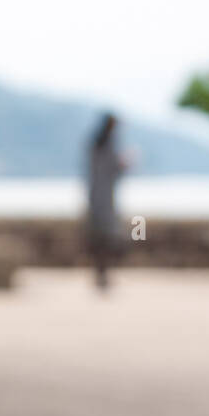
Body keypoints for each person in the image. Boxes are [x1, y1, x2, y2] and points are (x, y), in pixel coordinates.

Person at [86, 113, 129, 290]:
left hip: (95, 197)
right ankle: (102, 275)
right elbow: (115, 170)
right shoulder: (107, 145)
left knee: (99, 239)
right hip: (105, 200)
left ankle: (101, 274)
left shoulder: (95, 144)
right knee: (107, 239)